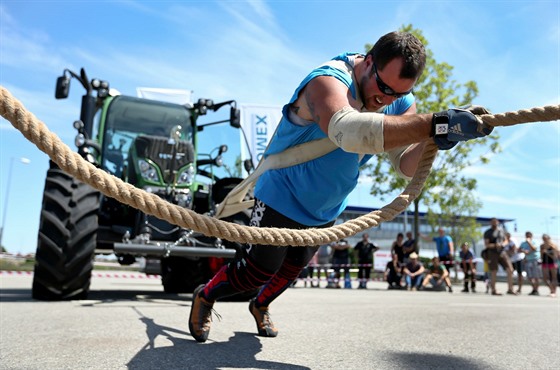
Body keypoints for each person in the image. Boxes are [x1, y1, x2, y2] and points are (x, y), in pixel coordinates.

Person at [188, 31, 493, 343]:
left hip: (326, 205)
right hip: (282, 193)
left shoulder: (398, 98)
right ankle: (206, 295)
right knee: (257, 271)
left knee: (293, 269)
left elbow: (404, 165)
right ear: (369, 61)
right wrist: (434, 124)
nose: (387, 100)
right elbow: (348, 131)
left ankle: (260, 305)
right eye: (384, 87)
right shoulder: (327, 81)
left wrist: (436, 139)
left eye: (398, 93)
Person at [483, 218, 516, 296]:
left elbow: (506, 240)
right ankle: (494, 290)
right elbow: (487, 244)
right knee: (494, 271)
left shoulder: (501, 231)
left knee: (510, 269)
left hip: (502, 252)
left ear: (497, 222)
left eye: (495, 222)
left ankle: (510, 289)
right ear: (490, 223)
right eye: (493, 222)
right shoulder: (488, 232)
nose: (494, 223)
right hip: (492, 252)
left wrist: (503, 244)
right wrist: (495, 245)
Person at [518, 231, 540, 296]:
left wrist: (529, 242)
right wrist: (523, 251)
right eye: (527, 236)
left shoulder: (535, 242)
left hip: (535, 260)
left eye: (529, 236)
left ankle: (536, 290)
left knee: (536, 276)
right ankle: (534, 289)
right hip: (527, 260)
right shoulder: (523, 243)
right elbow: (519, 250)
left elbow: (534, 248)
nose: (528, 237)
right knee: (529, 276)